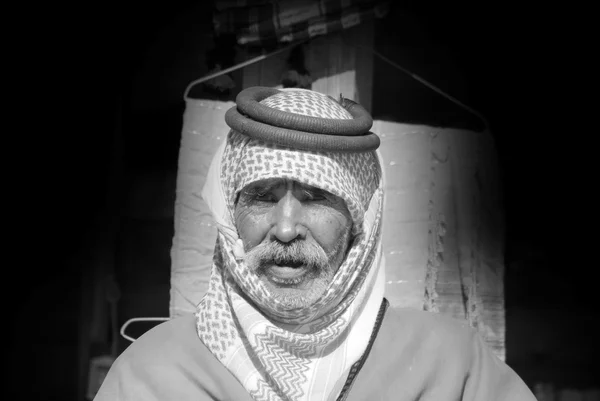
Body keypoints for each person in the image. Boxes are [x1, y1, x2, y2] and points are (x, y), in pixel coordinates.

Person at [95, 86, 536, 401]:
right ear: (229, 214)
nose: (286, 229)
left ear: (360, 219)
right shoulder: (152, 373)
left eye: (317, 198)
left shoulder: (451, 366)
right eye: (262, 197)